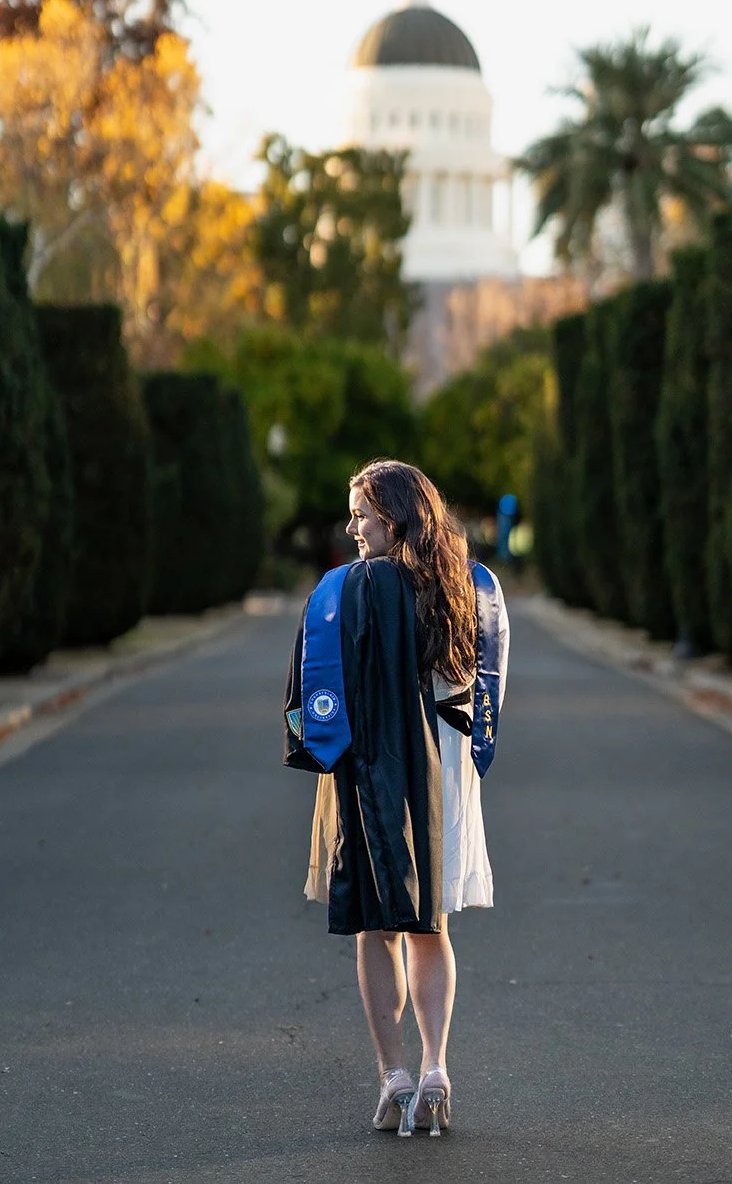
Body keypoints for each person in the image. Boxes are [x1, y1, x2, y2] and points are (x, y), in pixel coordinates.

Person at [283, 459, 510, 1137]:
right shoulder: (466, 585)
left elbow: (312, 693)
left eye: (361, 514)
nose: (351, 526)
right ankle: (436, 1067)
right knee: (430, 923)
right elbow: (480, 687)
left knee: (377, 926)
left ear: (394, 516)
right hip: (443, 765)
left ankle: (393, 1076)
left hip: (374, 765)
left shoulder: (344, 589)